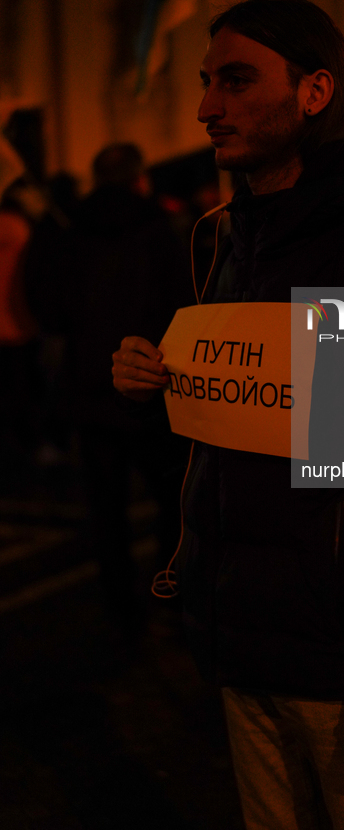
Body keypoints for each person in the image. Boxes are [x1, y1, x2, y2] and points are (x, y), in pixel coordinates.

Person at [113, 0, 344, 829]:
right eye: (208, 82)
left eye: (237, 81)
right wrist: (151, 394)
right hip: (244, 655)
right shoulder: (232, 247)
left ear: (316, 91)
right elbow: (214, 457)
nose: (207, 105)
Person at [28, 143, 193, 620]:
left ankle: (119, 607)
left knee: (107, 511)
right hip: (150, 386)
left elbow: (49, 303)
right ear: (138, 177)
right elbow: (180, 299)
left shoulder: (67, 229)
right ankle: (171, 596)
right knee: (170, 502)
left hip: (88, 386)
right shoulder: (158, 227)